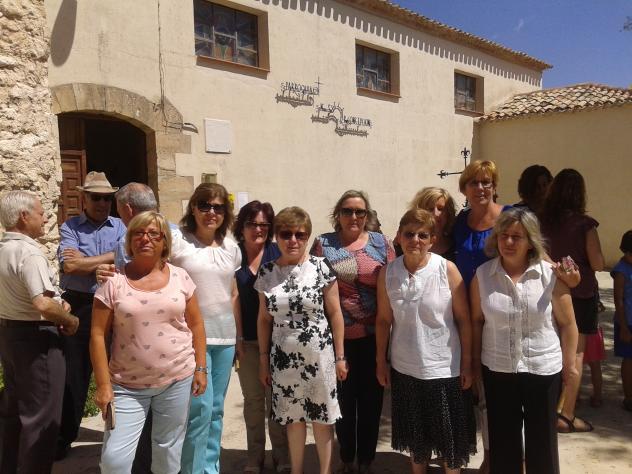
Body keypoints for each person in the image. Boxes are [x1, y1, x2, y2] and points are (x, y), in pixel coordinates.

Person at [90, 211, 208, 473]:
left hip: (177, 378)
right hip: (126, 385)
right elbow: (97, 335)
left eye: (154, 233)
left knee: (168, 451)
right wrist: (103, 385)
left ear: (164, 242)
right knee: (114, 460)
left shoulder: (181, 277)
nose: (146, 238)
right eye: (139, 233)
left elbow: (197, 324)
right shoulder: (113, 281)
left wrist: (201, 367)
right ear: (129, 240)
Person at [470, 208, 578, 474]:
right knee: (503, 442)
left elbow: (568, 324)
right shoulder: (483, 276)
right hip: (498, 368)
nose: (508, 242)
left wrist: (569, 365)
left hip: (542, 368)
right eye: (503, 235)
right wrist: (473, 363)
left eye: (516, 237)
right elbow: (477, 321)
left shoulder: (550, 275)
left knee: (542, 443)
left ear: (530, 241)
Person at [376, 208, 476, 474]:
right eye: (409, 234)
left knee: (449, 440)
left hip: (444, 368)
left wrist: (467, 363)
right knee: (416, 439)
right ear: (399, 237)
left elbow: (464, 320)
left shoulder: (447, 270)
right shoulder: (388, 273)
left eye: (422, 235)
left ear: (433, 240)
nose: (415, 240)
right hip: (405, 368)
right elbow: (384, 320)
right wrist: (380, 361)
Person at [255, 206, 348, 474]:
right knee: (293, 419)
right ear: (277, 237)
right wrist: (263, 360)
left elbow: (335, 313)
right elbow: (263, 320)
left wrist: (340, 357)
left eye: (300, 234)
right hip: (283, 359)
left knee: (322, 419)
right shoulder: (267, 272)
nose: (293, 240)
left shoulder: (320, 267)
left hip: (319, 356)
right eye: (286, 234)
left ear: (308, 236)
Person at [310, 190, 395, 474]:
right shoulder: (324, 244)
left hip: (375, 337)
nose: (354, 216)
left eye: (360, 211)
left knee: (371, 402)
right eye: (347, 211)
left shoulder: (382, 244)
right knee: (343, 402)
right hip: (338, 339)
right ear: (338, 214)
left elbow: (393, 283)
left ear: (367, 215)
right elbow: (313, 285)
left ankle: (366, 460)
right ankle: (346, 458)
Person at [0, 191, 79, 473]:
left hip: (10, 336)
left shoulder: (3, 249)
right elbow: (42, 303)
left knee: (13, 414)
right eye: (41, 212)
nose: (46, 218)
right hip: (37, 339)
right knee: (42, 419)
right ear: (24, 216)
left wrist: (58, 303)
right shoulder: (29, 252)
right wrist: (69, 320)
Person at [56, 171, 126, 459]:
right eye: (96, 198)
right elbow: (69, 266)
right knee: (74, 374)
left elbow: (126, 258)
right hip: (81, 304)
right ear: (84, 198)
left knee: (120, 372)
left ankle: (120, 434)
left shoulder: (121, 225)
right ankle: (64, 438)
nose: (102, 203)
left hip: (116, 305)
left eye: (107, 199)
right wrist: (109, 258)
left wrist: (88, 262)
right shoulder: (70, 226)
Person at [175, 183, 243, 474]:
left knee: (215, 410)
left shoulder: (231, 247)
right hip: (190, 337)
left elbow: (232, 293)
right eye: (204, 205)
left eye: (218, 207)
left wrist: (239, 337)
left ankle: (210, 468)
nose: (211, 212)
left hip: (225, 337)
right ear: (193, 208)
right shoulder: (178, 242)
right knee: (199, 410)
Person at [540, 168, 604, 433]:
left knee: (553, 349)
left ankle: (548, 406)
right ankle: (566, 415)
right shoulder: (585, 225)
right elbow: (598, 263)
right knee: (575, 354)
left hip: (551, 292)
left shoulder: (541, 222)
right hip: (581, 294)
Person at [233, 200, 290, 473]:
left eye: (264, 224)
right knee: (253, 401)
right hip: (246, 342)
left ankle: (282, 456)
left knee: (277, 399)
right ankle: (254, 457)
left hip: (278, 340)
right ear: (241, 226)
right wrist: (236, 340)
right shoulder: (233, 254)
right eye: (252, 224)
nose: (258, 229)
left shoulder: (278, 253)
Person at [404, 187, 458, 260]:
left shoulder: (457, 244)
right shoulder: (407, 245)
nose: (435, 214)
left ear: (448, 213)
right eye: (430, 209)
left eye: (440, 209)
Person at [612, 229, 632, 412]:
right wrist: (624, 327)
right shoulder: (621, 271)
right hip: (627, 322)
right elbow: (618, 300)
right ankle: (629, 397)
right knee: (629, 359)